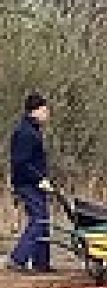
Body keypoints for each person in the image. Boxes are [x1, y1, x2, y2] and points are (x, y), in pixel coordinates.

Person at [7, 92, 54, 273]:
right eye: (44, 110)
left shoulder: (31, 130)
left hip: (32, 183)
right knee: (39, 219)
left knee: (43, 218)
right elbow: (21, 162)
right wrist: (39, 179)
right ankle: (18, 258)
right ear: (34, 111)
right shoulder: (25, 133)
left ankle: (41, 263)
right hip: (27, 184)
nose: (47, 113)